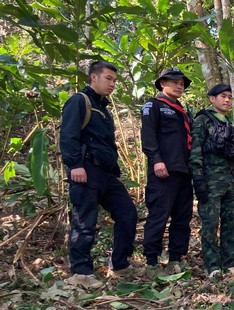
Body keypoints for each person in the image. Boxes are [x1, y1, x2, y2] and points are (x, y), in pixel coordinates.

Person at [60, 60, 138, 278]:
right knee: (85, 220)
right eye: (108, 79)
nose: (112, 84)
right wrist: (75, 165)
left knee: (127, 213)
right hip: (85, 170)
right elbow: (68, 135)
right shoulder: (79, 101)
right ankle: (81, 273)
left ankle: (120, 265)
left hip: (106, 174)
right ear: (94, 77)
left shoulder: (103, 108)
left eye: (114, 80)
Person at [141, 67, 193, 277]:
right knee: (158, 215)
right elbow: (149, 135)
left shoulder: (183, 111)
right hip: (163, 170)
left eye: (182, 83)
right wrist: (156, 160)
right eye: (174, 82)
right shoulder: (153, 105)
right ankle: (151, 261)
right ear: (163, 83)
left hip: (184, 171)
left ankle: (175, 258)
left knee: (182, 217)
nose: (179, 85)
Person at [189, 84, 234, 276]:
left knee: (233, 223)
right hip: (211, 180)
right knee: (210, 224)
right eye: (222, 96)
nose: (227, 100)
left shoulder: (229, 123)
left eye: (229, 96)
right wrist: (198, 180)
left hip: (232, 179)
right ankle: (212, 265)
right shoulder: (203, 120)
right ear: (212, 99)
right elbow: (195, 152)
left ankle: (229, 262)